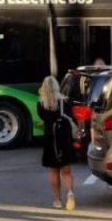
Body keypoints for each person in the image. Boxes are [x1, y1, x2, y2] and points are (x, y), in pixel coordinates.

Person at [37, 76, 76, 210]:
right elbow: (72, 117)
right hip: (64, 137)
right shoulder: (65, 101)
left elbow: (43, 118)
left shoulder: (41, 104)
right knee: (66, 170)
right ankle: (70, 192)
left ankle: (58, 200)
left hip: (50, 138)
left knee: (54, 170)